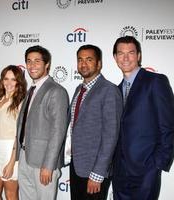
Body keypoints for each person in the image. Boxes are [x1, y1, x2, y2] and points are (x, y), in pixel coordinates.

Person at [112, 36, 174, 200]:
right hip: (119, 171)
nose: (126, 58)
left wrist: (156, 165)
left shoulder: (155, 82)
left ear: (139, 56)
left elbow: (168, 126)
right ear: (115, 58)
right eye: (121, 53)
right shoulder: (116, 91)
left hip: (146, 169)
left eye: (131, 53)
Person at [63, 44, 122, 200]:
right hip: (77, 166)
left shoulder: (109, 90)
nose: (83, 64)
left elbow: (111, 135)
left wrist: (98, 173)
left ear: (99, 64)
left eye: (89, 59)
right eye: (80, 60)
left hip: (95, 171)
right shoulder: (78, 90)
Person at [15, 45, 69, 200]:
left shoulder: (56, 91)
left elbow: (58, 131)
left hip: (43, 163)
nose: (32, 65)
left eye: (37, 61)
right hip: (25, 157)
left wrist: (48, 165)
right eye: (29, 61)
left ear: (47, 64)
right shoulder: (31, 90)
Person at [0, 65, 27, 200]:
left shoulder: (20, 103)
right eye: (6, 79)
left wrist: (12, 161)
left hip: (11, 153)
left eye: (13, 80)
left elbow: (19, 134)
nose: (9, 83)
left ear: (18, 82)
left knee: (11, 195)